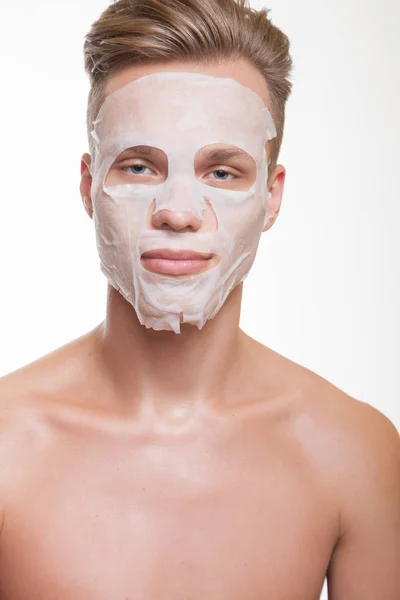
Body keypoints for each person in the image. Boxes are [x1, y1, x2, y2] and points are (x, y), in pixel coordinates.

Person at [0, 0, 399, 598]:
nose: (179, 212)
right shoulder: (7, 447)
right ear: (88, 186)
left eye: (222, 172)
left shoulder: (354, 454)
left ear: (272, 196)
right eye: (138, 167)